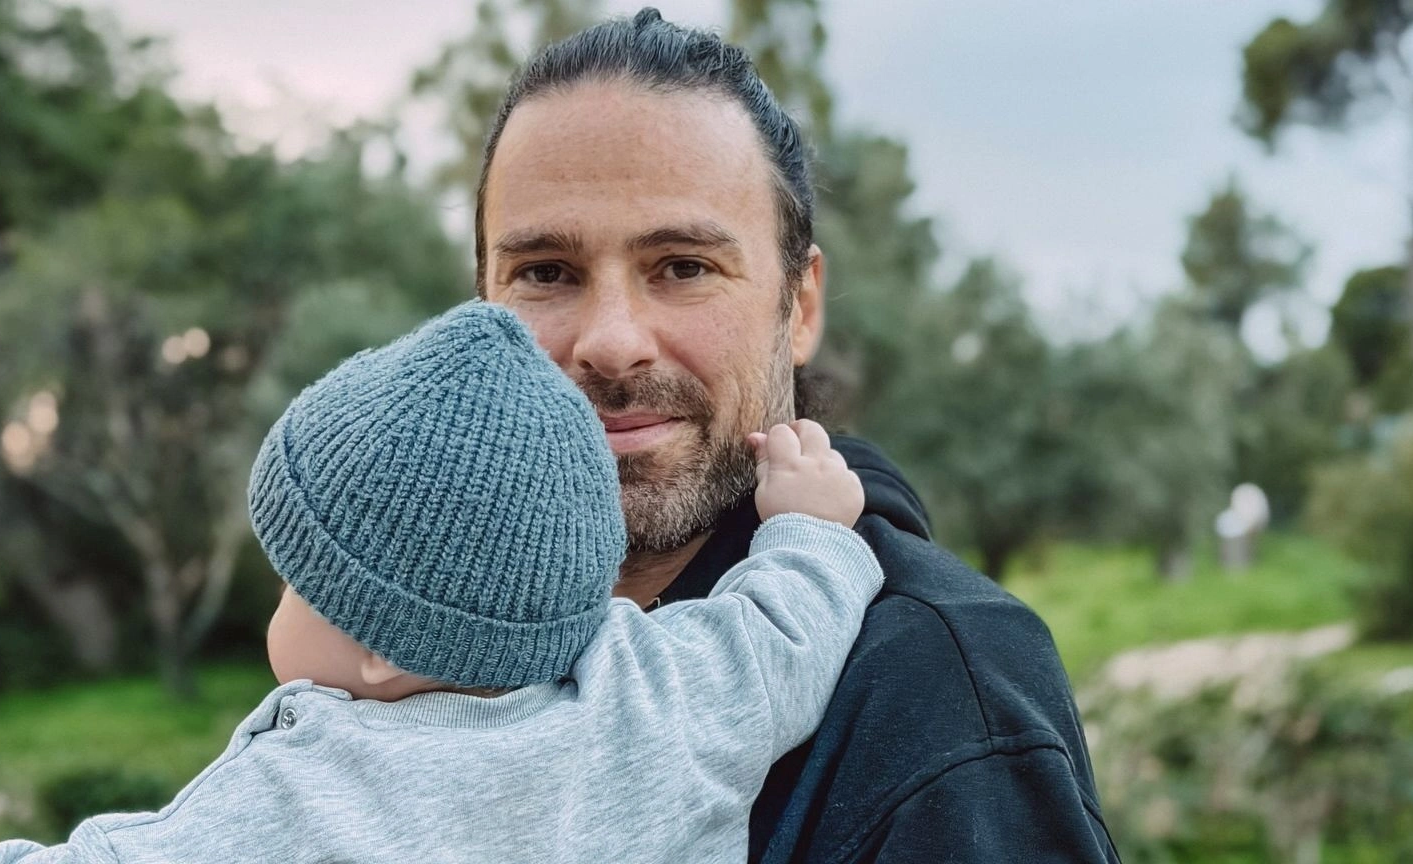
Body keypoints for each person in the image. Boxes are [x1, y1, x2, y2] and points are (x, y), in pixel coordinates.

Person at [476, 9, 1120, 862]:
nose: (611, 341)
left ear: (800, 307)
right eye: (545, 273)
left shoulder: (941, 700)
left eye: (684, 266)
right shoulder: (403, 647)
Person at [0, 302, 883, 863]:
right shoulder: (654, 696)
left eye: (296, 584)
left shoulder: (313, 795)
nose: (279, 600)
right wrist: (809, 527)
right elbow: (783, 635)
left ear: (384, 646)